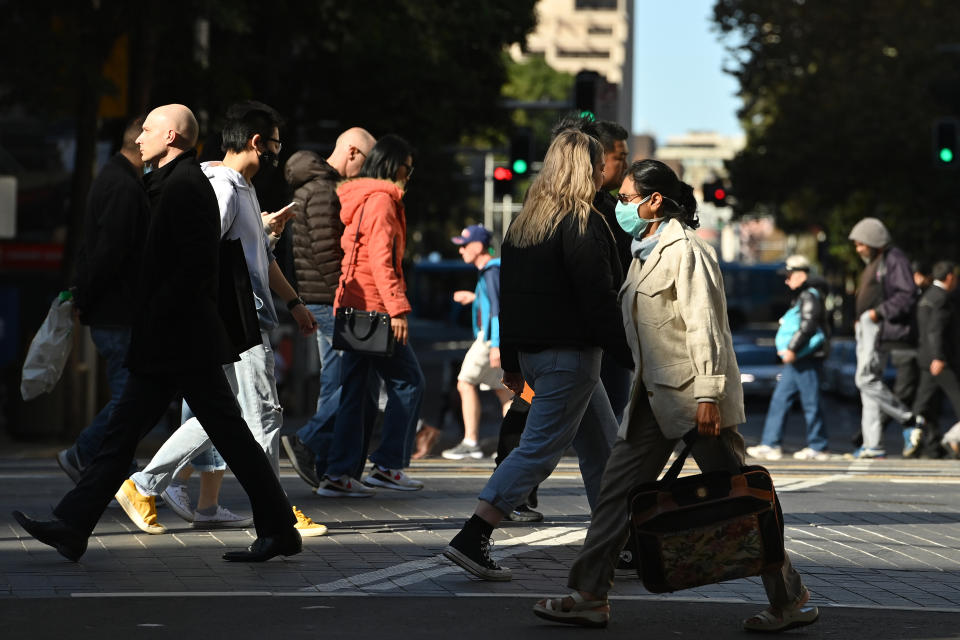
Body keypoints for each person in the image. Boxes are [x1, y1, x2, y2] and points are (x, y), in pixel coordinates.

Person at [531, 159, 818, 633]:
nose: (621, 206)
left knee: (745, 500)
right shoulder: (645, 251)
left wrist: (709, 394)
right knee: (615, 494)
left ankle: (789, 598)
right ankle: (588, 595)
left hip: (692, 400)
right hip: (651, 397)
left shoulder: (686, 251)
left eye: (625, 198)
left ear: (654, 200)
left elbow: (707, 327)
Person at [12, 104, 300, 563]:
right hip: (175, 337)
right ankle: (72, 525)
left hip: (179, 337)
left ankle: (279, 529)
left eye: (147, 130)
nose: (138, 138)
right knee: (143, 431)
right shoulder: (171, 184)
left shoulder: (186, 188)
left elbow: (193, 268)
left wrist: (162, 323)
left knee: (216, 433)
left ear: (171, 137)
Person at [113, 101, 327, 538]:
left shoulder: (243, 188)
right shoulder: (223, 188)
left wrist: (293, 302)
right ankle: (278, 513)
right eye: (275, 144)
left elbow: (257, 259)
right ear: (256, 142)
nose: (276, 153)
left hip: (244, 318)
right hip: (237, 320)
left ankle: (144, 484)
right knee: (263, 414)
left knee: (221, 415)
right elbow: (207, 257)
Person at [443, 130, 630, 580]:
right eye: (598, 163)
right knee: (537, 452)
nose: (604, 170)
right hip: (572, 356)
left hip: (535, 355)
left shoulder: (526, 222)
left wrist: (511, 358)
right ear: (584, 169)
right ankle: (474, 535)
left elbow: (508, 299)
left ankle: (620, 543)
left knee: (602, 448)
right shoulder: (584, 221)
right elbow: (599, 299)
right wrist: (630, 353)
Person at [314, 134, 426, 497]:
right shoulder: (381, 201)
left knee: (356, 392)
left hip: (353, 305)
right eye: (408, 169)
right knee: (410, 382)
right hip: (373, 310)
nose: (410, 176)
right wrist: (397, 309)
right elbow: (380, 262)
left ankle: (339, 474)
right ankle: (388, 465)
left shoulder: (364, 197)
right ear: (394, 166)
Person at [279, 128, 378, 489]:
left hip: (324, 298)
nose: (367, 171)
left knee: (346, 382)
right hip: (331, 299)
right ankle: (309, 442)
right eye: (366, 161)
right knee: (350, 382)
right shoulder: (324, 191)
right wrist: (348, 294)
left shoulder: (319, 187)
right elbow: (326, 252)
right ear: (351, 152)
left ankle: (334, 468)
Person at [56, 116, 150, 482]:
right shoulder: (123, 186)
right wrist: (88, 296)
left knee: (129, 396)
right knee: (130, 398)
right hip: (117, 311)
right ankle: (84, 454)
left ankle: (117, 469)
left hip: (111, 308)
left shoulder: (115, 178)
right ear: (143, 142)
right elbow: (109, 252)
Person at [848, 217, 922, 459]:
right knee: (867, 386)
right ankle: (873, 444)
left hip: (876, 326)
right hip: (867, 326)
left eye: (861, 244)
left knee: (865, 379)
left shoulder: (893, 259)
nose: (858, 249)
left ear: (874, 242)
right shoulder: (877, 261)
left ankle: (909, 419)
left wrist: (877, 313)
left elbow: (907, 294)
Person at [747, 255, 831, 461]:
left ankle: (818, 446)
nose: (786, 280)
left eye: (789, 275)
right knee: (781, 399)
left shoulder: (809, 295)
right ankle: (771, 444)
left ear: (801, 274)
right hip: (799, 359)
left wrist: (792, 349)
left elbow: (808, 325)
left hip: (806, 357)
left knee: (810, 401)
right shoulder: (805, 295)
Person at [441, 224, 513, 460]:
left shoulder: (491, 270)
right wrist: (474, 298)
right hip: (496, 336)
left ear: (478, 246)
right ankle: (513, 444)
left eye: (464, 246)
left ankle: (471, 441)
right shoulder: (493, 269)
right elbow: (494, 301)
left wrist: (495, 344)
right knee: (504, 392)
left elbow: (497, 309)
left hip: (490, 338)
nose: (461, 251)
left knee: (464, 382)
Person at [912, 262, 960, 456]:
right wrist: (938, 357)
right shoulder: (941, 299)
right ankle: (950, 439)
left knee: (924, 404)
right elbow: (935, 330)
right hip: (940, 360)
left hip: (926, 358)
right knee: (957, 399)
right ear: (949, 277)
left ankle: (923, 442)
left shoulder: (928, 296)